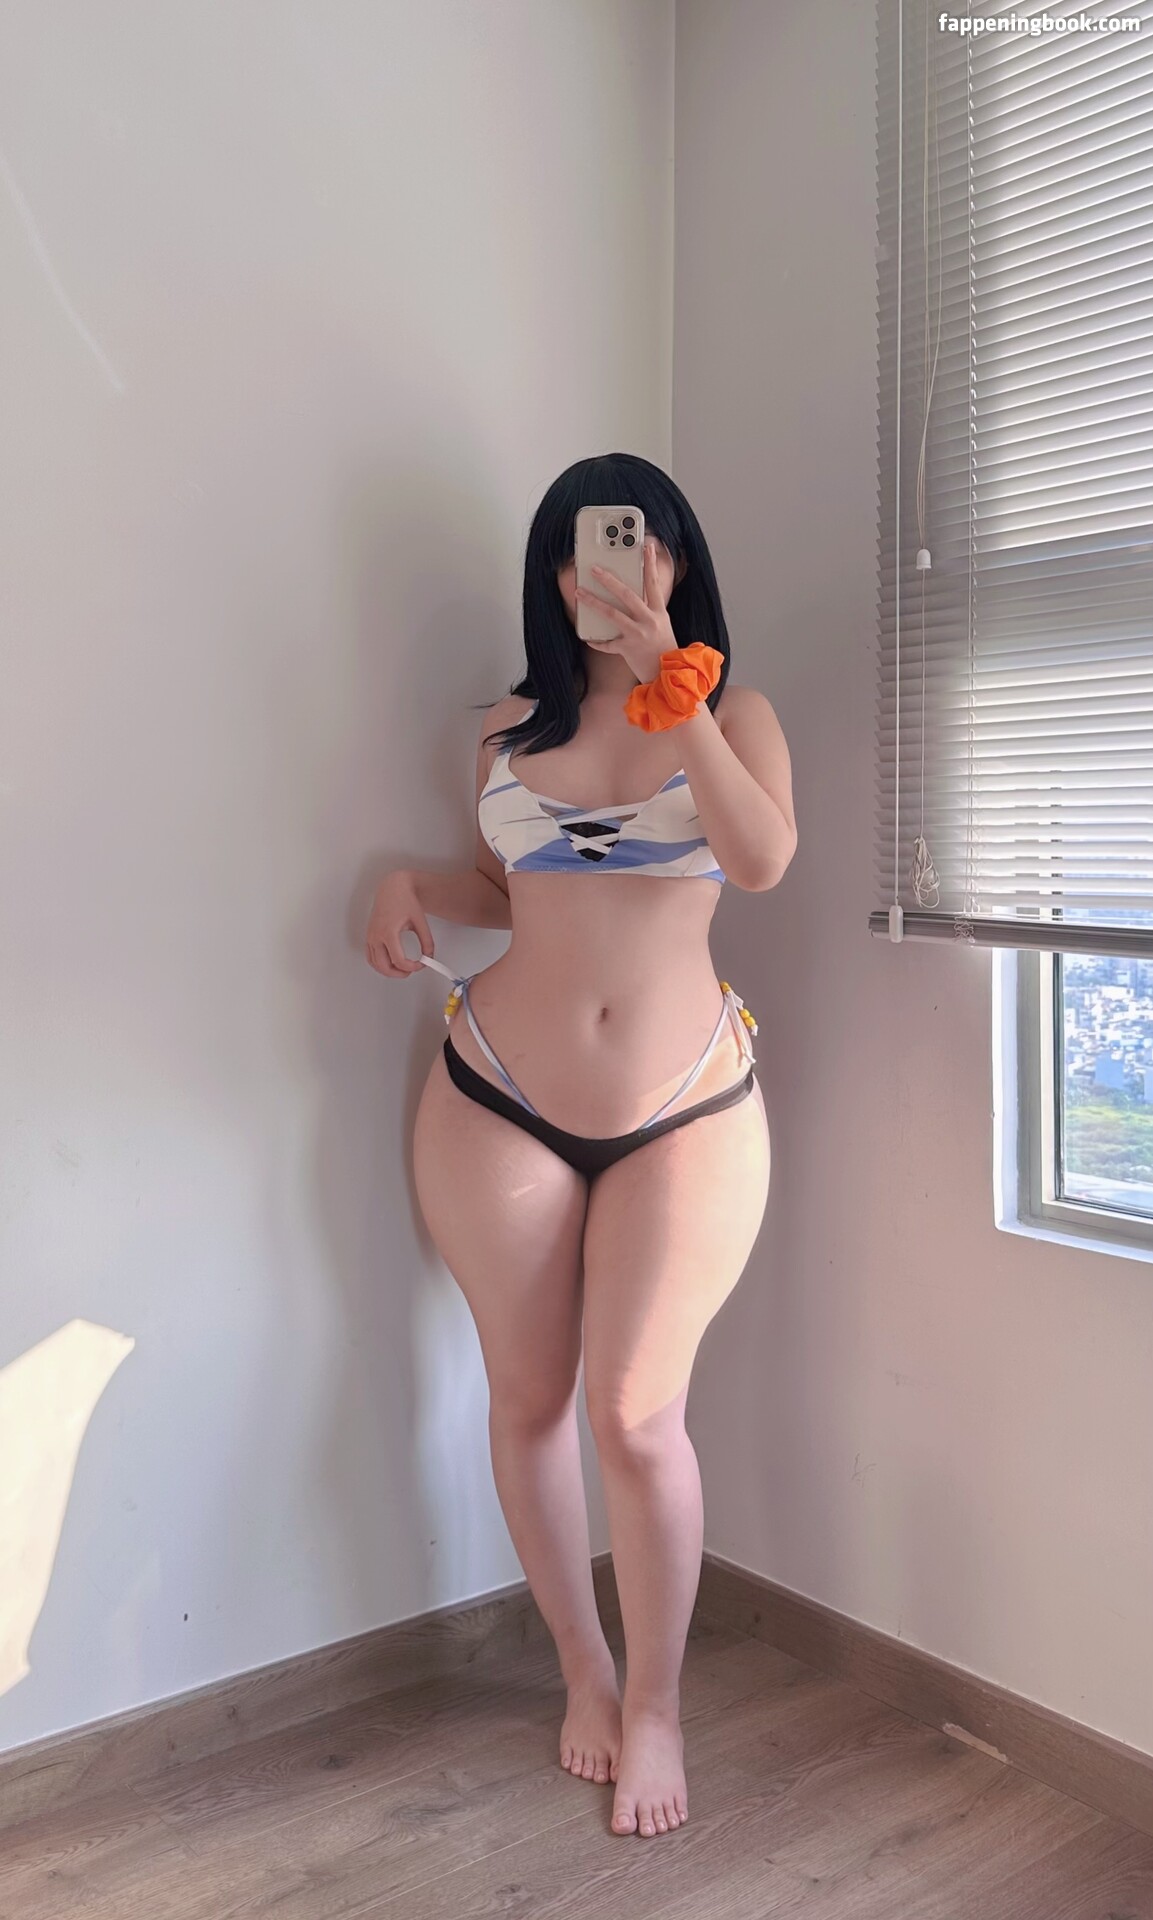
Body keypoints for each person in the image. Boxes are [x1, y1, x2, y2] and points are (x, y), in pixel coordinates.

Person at [366, 451, 797, 1840]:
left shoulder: (736, 714)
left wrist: (676, 688)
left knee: (635, 1415)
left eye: (638, 541)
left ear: (676, 559)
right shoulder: (505, 728)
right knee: (528, 1400)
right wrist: (406, 885)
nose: (610, 569)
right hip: (495, 1089)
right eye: (581, 549)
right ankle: (584, 1669)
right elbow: (512, 888)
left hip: (685, 1101)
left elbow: (759, 859)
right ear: (551, 577)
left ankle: (659, 1702)